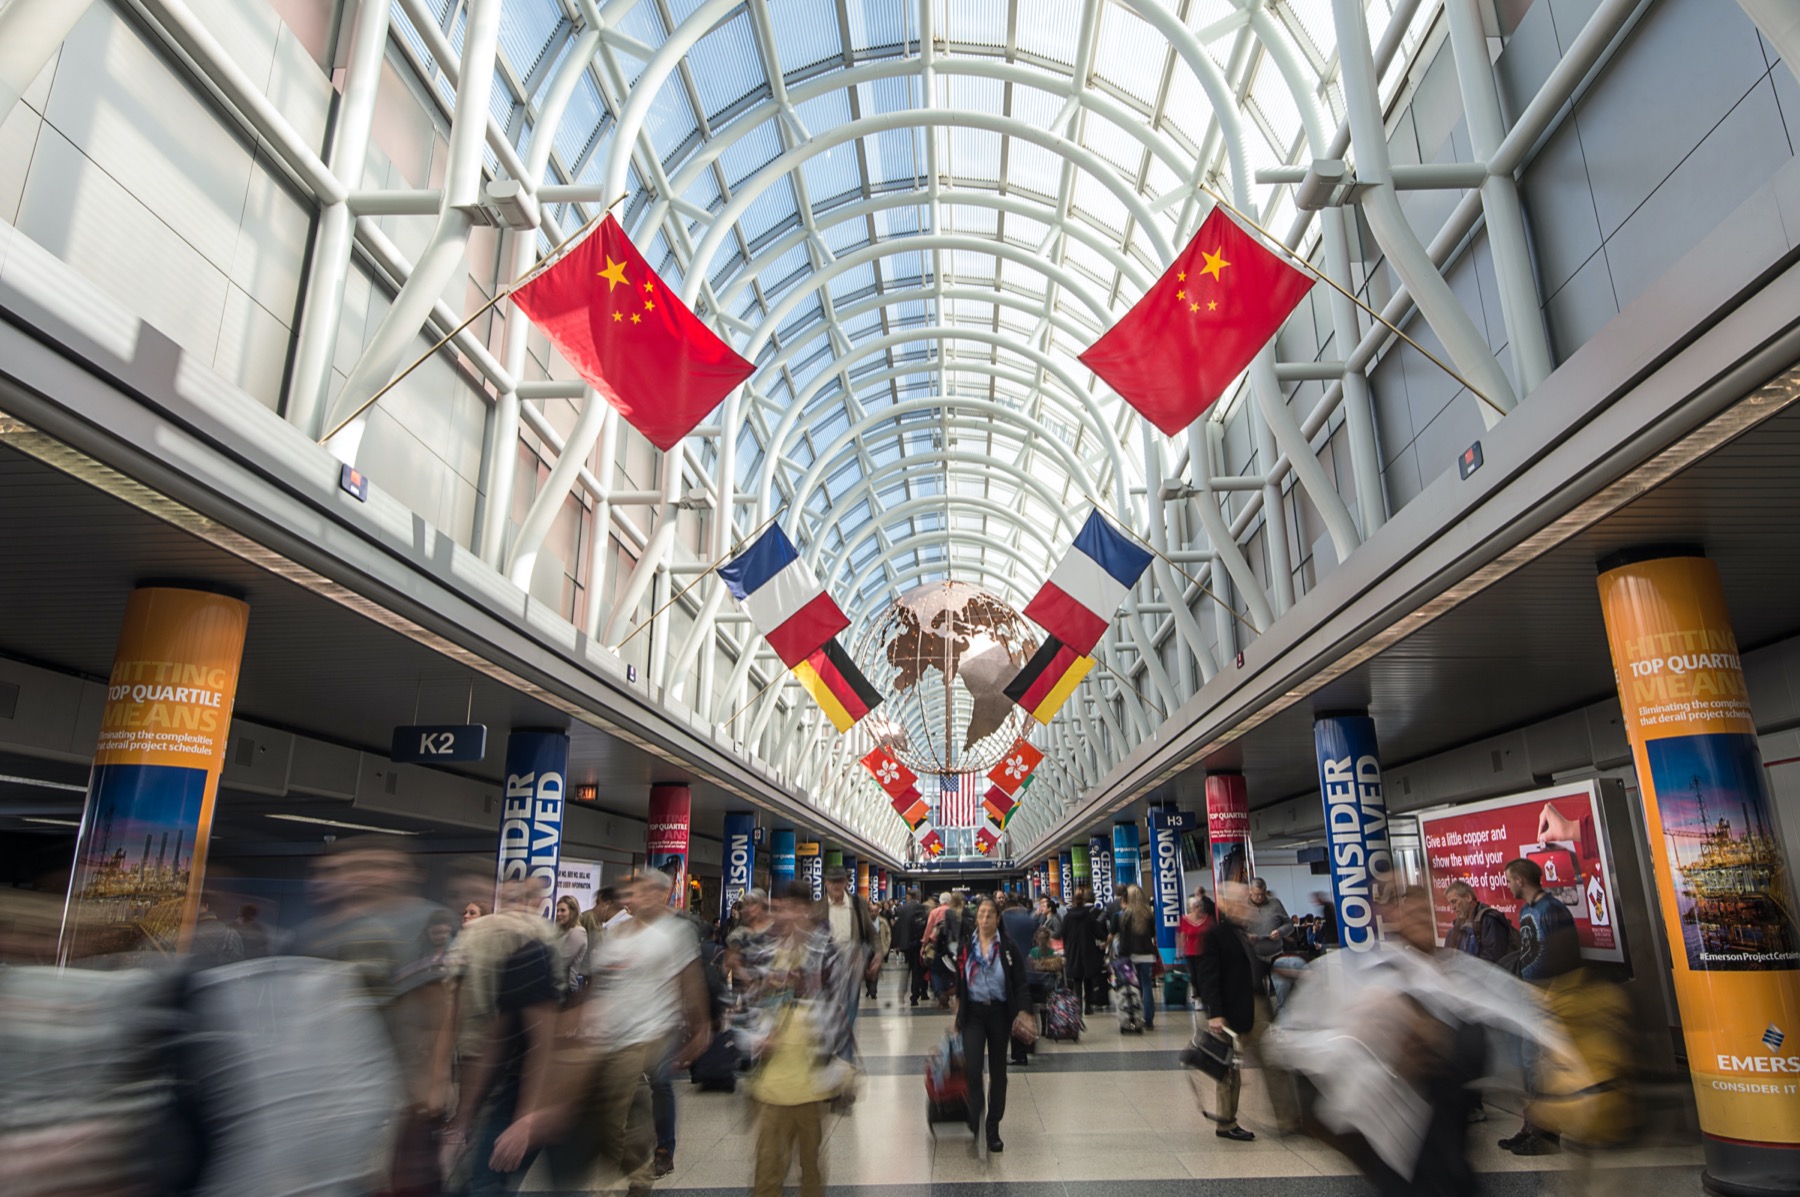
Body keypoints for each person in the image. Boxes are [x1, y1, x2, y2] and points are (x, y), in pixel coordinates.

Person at [572, 871, 711, 1186]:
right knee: (618, 1113)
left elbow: (691, 981)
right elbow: (600, 983)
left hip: (652, 1032)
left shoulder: (674, 932)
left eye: (649, 890)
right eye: (635, 891)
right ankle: (637, 1172)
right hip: (612, 1034)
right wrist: (584, 1019)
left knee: (647, 1092)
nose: (640, 897)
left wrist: (701, 1028)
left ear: (662, 893)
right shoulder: (617, 934)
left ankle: (657, 1154)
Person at [445, 880, 562, 1195]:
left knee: (488, 1179)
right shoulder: (520, 956)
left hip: (549, 1087)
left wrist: (525, 1120)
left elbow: (543, 1044)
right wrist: (461, 1121)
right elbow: (496, 1041)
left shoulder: (534, 955)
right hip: (520, 1080)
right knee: (486, 1177)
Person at [745, 882, 851, 1197]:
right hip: (770, 1084)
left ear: (805, 910)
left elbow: (837, 1006)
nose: (781, 915)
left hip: (811, 1083)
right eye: (776, 908)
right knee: (767, 1172)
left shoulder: (825, 951)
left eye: (787, 907)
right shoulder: (763, 951)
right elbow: (747, 1006)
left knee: (811, 1170)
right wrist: (757, 1035)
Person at [1194, 882, 1298, 1142]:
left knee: (1272, 1062)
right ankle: (1226, 1123)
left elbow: (1247, 968)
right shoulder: (1216, 935)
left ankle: (1288, 1119)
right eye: (1241, 902)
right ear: (1226, 905)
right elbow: (1208, 977)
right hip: (1229, 1010)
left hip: (1252, 1006)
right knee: (1228, 1068)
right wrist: (1215, 1013)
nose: (1247, 906)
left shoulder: (1241, 932)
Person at [1499, 858, 1579, 1156]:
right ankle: (1532, 1125)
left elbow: (1565, 953)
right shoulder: (1526, 911)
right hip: (1529, 996)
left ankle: (1546, 1132)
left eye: (1509, 880)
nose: (1507, 885)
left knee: (1541, 1066)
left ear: (1520, 879)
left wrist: (1554, 993)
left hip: (1549, 996)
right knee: (1528, 1063)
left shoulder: (1552, 910)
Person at [954, 898, 1029, 1156]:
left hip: (999, 1013)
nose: (985, 918)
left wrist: (1024, 1011)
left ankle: (993, 1126)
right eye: (982, 914)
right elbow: (959, 979)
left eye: (990, 914)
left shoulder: (1008, 948)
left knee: (999, 1073)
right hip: (973, 1014)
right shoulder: (966, 946)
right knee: (973, 1069)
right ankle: (975, 1115)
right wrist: (957, 1010)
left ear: (998, 918)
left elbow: (1020, 982)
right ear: (976, 918)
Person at [1112, 885, 1160, 1030]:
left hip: (1131, 955)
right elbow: (1152, 934)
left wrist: (1121, 956)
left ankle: (1134, 1015)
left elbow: (1123, 939)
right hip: (1147, 955)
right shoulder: (1148, 914)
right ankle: (1149, 1020)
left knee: (1133, 987)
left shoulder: (1125, 915)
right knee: (1147, 986)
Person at [1058, 887, 1108, 1014]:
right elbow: (1098, 933)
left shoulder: (1068, 917)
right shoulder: (1089, 916)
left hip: (1073, 951)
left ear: (1073, 902)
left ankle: (1078, 1005)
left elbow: (1062, 932)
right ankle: (1088, 1006)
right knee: (1088, 979)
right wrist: (1105, 937)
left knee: (1077, 981)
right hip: (1088, 951)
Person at [1446, 881, 1511, 964]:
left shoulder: (1488, 921)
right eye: (1450, 903)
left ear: (1468, 897)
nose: (1452, 908)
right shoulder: (1455, 929)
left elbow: (1492, 959)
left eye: (1454, 901)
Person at [1242, 877, 1293, 962]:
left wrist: (1280, 932)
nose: (1260, 897)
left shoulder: (1275, 903)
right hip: (1252, 957)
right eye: (1257, 894)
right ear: (1250, 891)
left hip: (1276, 955)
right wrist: (1245, 936)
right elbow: (1233, 931)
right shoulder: (1242, 906)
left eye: (1262, 894)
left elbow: (1289, 925)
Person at [1178, 893, 1213, 1013]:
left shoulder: (1208, 919)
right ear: (1191, 908)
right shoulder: (1185, 919)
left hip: (1205, 952)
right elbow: (1182, 934)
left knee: (1205, 976)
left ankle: (1206, 997)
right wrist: (1180, 950)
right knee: (1194, 976)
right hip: (1191, 952)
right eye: (1196, 906)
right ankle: (1197, 996)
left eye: (1200, 906)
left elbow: (1213, 933)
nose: (1199, 909)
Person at [895, 887, 929, 1007]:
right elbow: (923, 925)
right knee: (916, 971)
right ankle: (914, 996)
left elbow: (898, 926)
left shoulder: (902, 909)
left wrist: (897, 943)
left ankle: (901, 993)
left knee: (906, 970)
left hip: (905, 944)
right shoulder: (921, 908)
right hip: (916, 943)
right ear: (918, 897)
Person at [553, 895, 590, 992]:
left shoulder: (578, 932)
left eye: (563, 910)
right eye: (557, 910)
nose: (558, 914)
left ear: (573, 912)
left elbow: (561, 961)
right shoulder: (560, 931)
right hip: (555, 985)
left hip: (566, 988)